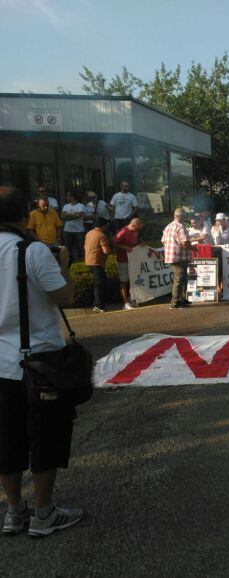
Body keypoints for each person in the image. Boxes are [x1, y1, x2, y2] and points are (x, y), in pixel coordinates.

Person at [0, 186, 84, 538]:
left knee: (6, 440)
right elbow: (65, 296)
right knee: (44, 439)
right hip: (41, 362)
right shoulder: (31, 250)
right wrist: (62, 265)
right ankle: (43, 513)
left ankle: (13, 511)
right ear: (26, 215)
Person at [162, 209, 192, 309]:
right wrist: (194, 248)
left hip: (172, 255)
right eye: (185, 216)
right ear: (181, 217)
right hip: (180, 256)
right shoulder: (180, 227)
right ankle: (175, 302)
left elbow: (163, 241)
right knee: (179, 279)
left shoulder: (168, 226)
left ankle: (181, 299)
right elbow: (185, 242)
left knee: (181, 278)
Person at [113, 218, 143, 310]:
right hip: (122, 260)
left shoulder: (135, 232)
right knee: (124, 281)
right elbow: (113, 243)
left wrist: (139, 244)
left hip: (132, 260)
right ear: (132, 225)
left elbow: (133, 244)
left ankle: (132, 299)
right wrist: (124, 247)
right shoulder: (123, 232)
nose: (137, 231)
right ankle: (125, 303)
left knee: (133, 280)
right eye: (137, 229)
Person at [84, 217, 112, 313]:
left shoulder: (89, 233)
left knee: (99, 282)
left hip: (88, 260)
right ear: (103, 226)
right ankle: (98, 305)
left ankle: (99, 303)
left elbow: (85, 246)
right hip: (97, 262)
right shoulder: (102, 235)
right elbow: (106, 251)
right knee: (100, 284)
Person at [60, 193, 86, 262]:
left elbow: (79, 215)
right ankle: (69, 262)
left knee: (80, 247)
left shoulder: (81, 205)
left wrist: (68, 215)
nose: (67, 197)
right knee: (68, 248)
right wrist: (74, 216)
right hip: (67, 230)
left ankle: (81, 262)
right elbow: (62, 216)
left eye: (68, 196)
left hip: (79, 230)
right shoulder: (66, 206)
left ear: (73, 196)